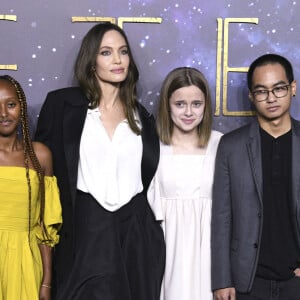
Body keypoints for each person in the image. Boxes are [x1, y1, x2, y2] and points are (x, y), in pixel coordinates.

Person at [35, 22, 165, 300]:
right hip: (84, 229)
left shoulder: (143, 117)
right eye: (106, 52)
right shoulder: (61, 106)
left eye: (123, 51)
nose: (118, 60)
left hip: (134, 233)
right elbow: (41, 174)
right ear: (91, 61)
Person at [211, 53, 300, 300]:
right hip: (246, 281)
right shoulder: (231, 146)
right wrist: (222, 279)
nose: (271, 97)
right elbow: (221, 217)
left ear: (292, 88)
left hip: (296, 280)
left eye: (279, 88)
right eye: (261, 91)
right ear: (251, 96)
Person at [147, 67, 222, 300]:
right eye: (180, 104)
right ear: (167, 105)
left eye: (196, 104)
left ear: (206, 105)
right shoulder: (151, 148)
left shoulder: (222, 145)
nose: (189, 112)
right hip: (167, 254)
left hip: (211, 253)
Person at [0, 75, 62, 300]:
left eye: (11, 104)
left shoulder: (40, 155)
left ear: (22, 107)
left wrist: (46, 282)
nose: (4, 114)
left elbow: (44, 227)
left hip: (26, 262)